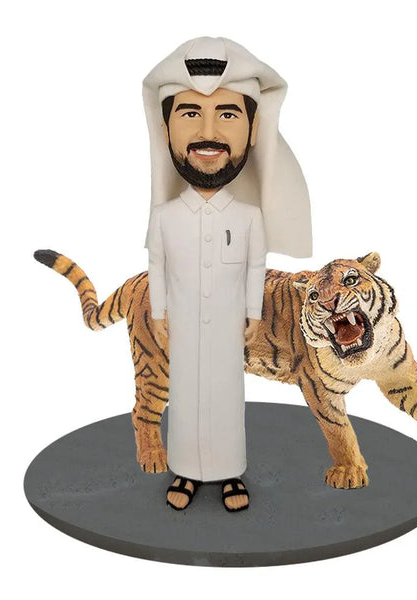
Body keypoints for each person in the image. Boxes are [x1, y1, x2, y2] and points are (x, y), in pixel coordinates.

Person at [144, 37, 312, 512]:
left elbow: (257, 266)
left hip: (228, 330)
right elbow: (157, 264)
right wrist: (158, 312)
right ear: (165, 129)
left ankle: (228, 472)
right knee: (184, 397)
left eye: (228, 114)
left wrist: (254, 313)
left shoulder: (249, 217)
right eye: (190, 113)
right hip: (181, 327)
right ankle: (185, 470)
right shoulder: (164, 217)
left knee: (226, 397)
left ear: (254, 128)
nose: (208, 131)